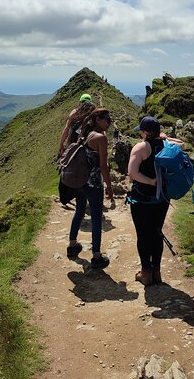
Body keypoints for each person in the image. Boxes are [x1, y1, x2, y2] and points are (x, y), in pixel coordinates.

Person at [127, 116, 185, 286]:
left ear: (145, 132)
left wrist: (151, 181)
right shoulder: (168, 145)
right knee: (157, 232)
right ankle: (157, 272)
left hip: (142, 199)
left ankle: (146, 273)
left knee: (143, 234)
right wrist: (166, 138)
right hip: (162, 198)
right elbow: (182, 143)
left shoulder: (141, 147)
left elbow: (132, 172)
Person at [66, 108, 114, 269]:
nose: (109, 122)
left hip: (80, 181)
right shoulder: (100, 138)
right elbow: (103, 166)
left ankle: (72, 246)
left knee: (79, 211)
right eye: (106, 119)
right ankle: (96, 256)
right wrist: (109, 187)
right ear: (97, 120)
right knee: (96, 217)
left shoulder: (85, 133)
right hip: (93, 183)